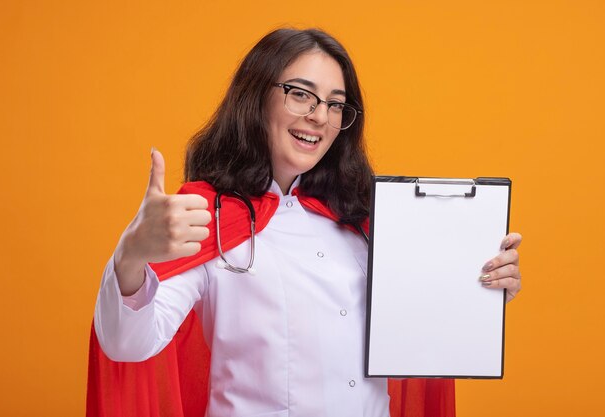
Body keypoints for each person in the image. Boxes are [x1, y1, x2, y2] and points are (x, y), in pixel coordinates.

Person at [88, 28, 522, 417]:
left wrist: (484, 286)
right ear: (256, 97)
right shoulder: (208, 216)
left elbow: (423, 322)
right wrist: (132, 255)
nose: (319, 116)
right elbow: (128, 344)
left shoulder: (365, 218)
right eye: (301, 94)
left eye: (336, 104)